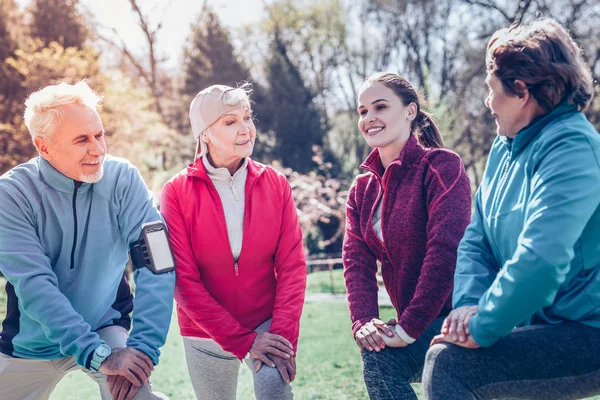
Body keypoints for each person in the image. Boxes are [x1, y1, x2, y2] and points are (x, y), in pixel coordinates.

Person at [422, 18, 600, 400]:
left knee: (449, 365)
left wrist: (483, 324)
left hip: (589, 331)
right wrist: (468, 304)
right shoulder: (505, 147)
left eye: (491, 90)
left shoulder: (573, 148)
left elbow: (541, 258)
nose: (488, 102)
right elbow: (477, 239)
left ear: (520, 91)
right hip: (536, 324)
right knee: (424, 354)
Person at [0, 81, 175, 400]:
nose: (98, 149)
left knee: (137, 397)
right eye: (82, 140)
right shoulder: (11, 196)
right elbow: (35, 286)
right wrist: (96, 355)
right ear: (44, 147)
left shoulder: (125, 179)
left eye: (99, 135)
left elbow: (159, 261)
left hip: (105, 325)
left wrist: (144, 350)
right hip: (31, 342)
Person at [160, 83, 306, 400]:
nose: (246, 130)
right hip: (205, 330)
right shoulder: (176, 192)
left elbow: (293, 267)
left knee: (272, 387)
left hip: (266, 321)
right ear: (205, 135)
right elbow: (183, 281)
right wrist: (241, 340)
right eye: (230, 122)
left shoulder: (276, 184)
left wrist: (281, 336)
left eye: (247, 117)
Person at [342, 72, 472, 400]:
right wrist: (364, 323)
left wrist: (408, 326)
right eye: (362, 111)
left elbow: (444, 249)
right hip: (417, 326)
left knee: (386, 359)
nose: (369, 118)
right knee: (378, 355)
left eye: (380, 107)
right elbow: (355, 263)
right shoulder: (362, 190)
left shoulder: (442, 167)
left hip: (460, 318)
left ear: (410, 111)